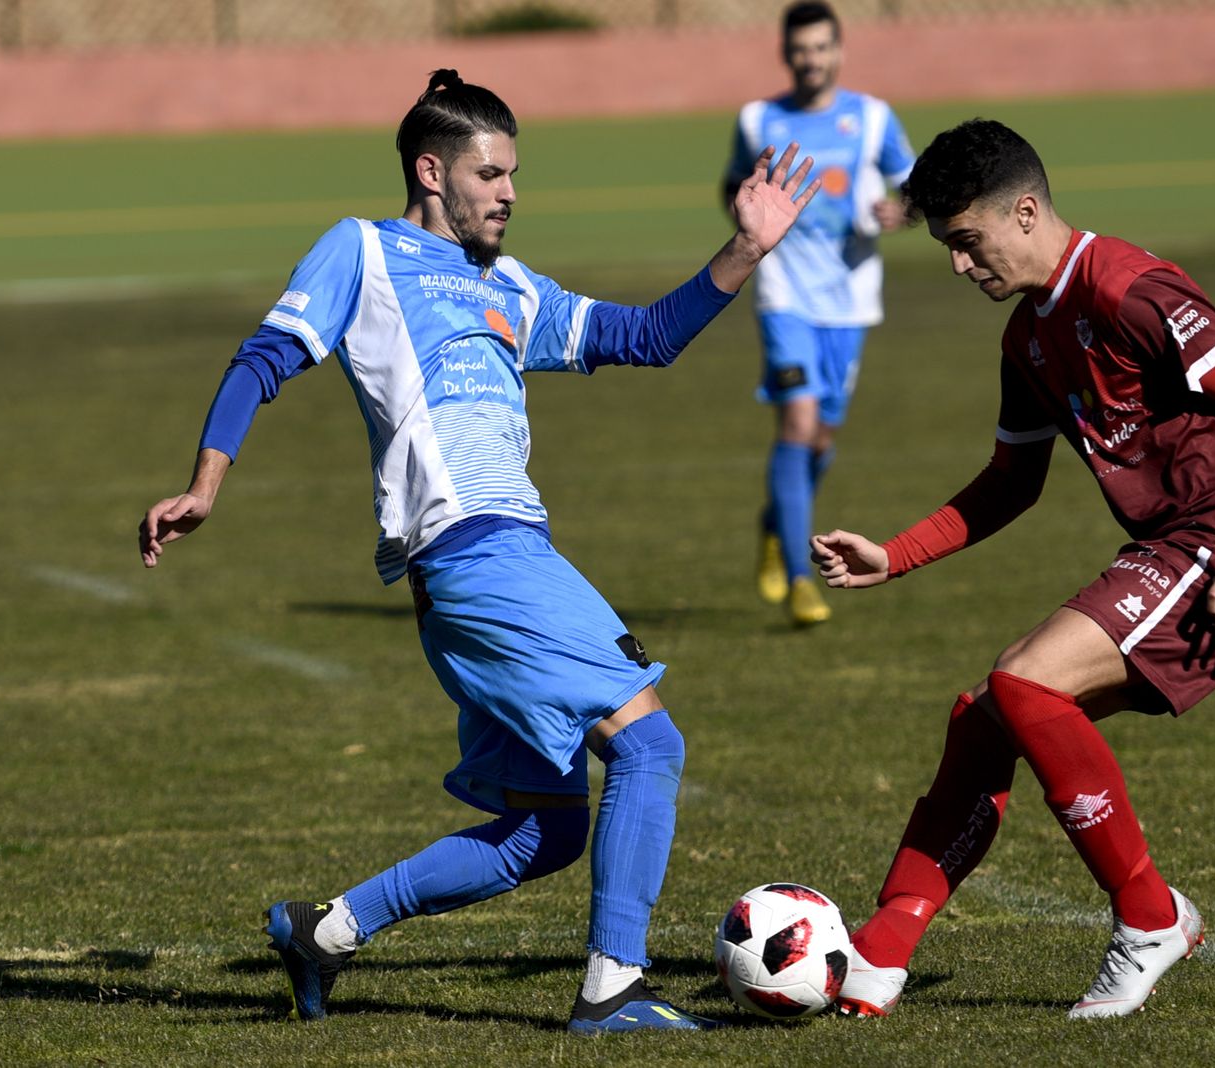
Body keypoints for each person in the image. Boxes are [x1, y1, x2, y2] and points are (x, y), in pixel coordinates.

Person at [138, 70, 818, 1033]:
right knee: (650, 744)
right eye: (490, 173)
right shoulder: (363, 252)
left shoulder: (511, 284)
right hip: (475, 550)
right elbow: (266, 357)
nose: (508, 192)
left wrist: (745, 248)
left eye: (513, 175)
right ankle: (612, 989)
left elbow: (646, 338)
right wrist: (206, 483)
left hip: (487, 562)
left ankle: (323, 930)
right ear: (431, 171)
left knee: (545, 832)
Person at [811, 119, 1215, 1019]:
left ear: (1028, 210)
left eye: (967, 243)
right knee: (988, 715)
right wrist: (895, 556)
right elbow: (1012, 482)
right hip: (1175, 549)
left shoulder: (1125, 285)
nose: (962, 267)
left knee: (1025, 686)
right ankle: (883, 951)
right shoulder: (1026, 340)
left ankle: (1150, 918)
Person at [723, 0, 916, 626]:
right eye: (800, 49)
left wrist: (902, 210)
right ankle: (803, 580)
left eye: (820, 47)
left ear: (838, 50)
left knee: (823, 437)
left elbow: (915, 186)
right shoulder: (757, 119)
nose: (810, 59)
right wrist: (742, 205)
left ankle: (778, 523)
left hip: (851, 301)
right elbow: (732, 185)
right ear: (786, 53)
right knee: (798, 424)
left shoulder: (872, 117)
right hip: (784, 295)